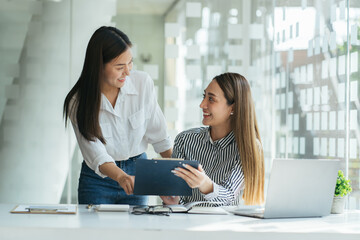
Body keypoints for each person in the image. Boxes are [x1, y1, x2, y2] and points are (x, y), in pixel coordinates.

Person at [63, 26, 172, 205]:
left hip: (138, 173)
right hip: (97, 181)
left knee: (136, 232)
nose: (128, 72)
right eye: (120, 66)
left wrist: (178, 179)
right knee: (95, 233)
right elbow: (96, 154)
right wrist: (121, 177)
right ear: (98, 66)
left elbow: (160, 138)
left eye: (130, 63)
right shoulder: (78, 102)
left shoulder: (142, 83)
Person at [161, 72, 264, 206]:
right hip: (186, 223)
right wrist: (174, 201)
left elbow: (229, 195)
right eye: (204, 96)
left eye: (211, 99)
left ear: (233, 108)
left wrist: (204, 184)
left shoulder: (248, 147)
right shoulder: (185, 140)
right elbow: (179, 198)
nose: (202, 104)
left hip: (223, 224)